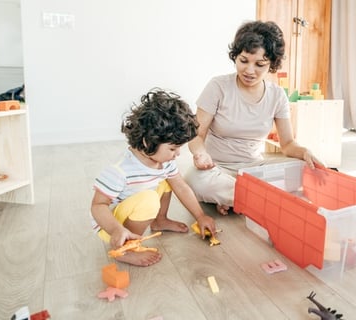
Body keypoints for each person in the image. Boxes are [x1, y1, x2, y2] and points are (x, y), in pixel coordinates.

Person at [185, 20, 323, 215]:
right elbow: (196, 136)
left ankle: (237, 199)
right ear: (236, 57)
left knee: (302, 169)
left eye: (260, 64)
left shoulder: (277, 95)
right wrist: (200, 154)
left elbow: (288, 144)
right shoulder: (218, 87)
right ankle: (258, 200)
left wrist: (304, 152)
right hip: (217, 169)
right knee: (197, 180)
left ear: (272, 64)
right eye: (243, 61)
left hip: (256, 171)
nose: (249, 71)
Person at [91, 88, 217, 267]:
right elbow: (97, 206)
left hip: (134, 209)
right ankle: (127, 248)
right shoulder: (120, 171)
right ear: (148, 142)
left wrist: (200, 216)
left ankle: (160, 220)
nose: (177, 154)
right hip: (112, 226)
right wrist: (116, 230)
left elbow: (180, 186)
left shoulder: (164, 162)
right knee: (149, 199)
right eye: (173, 149)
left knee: (168, 181)